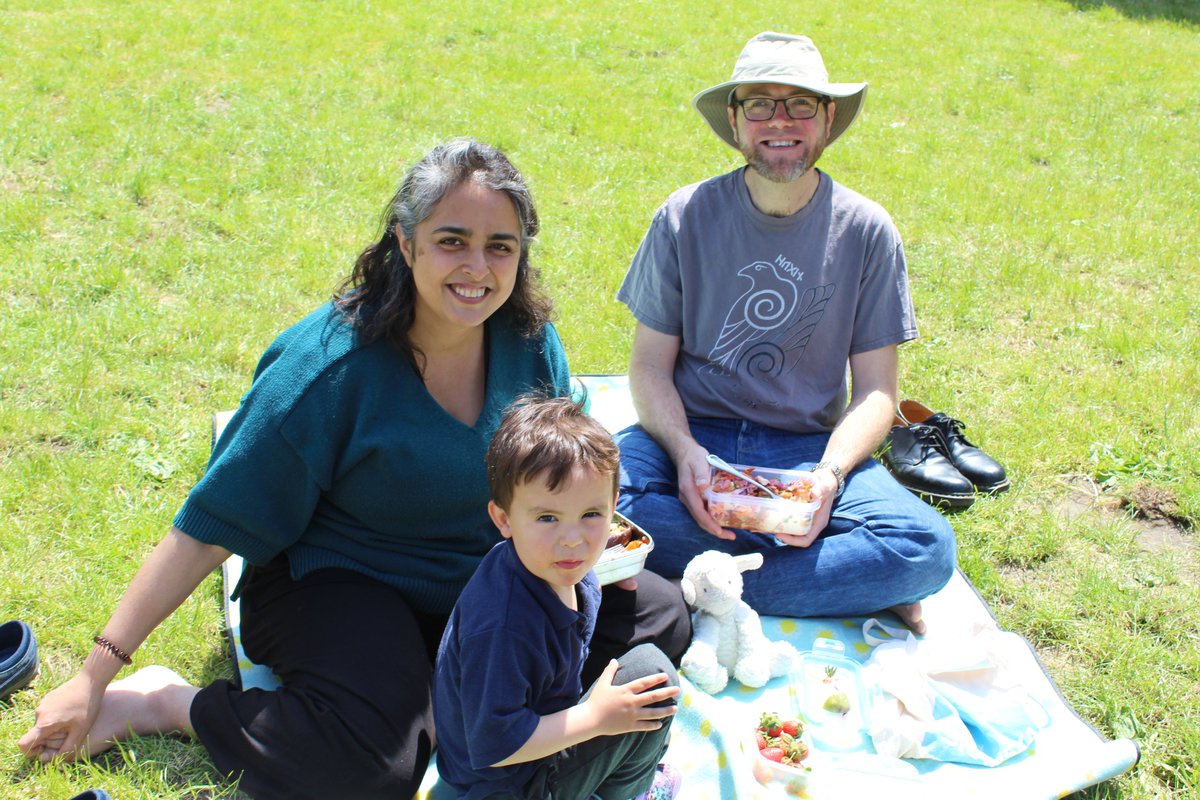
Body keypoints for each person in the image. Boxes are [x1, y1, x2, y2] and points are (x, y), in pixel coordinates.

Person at [19, 139, 691, 799]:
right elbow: (205, 529)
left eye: (500, 246)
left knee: (659, 616)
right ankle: (170, 703)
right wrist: (94, 675)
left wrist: (597, 536)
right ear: (405, 243)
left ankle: (447, 688)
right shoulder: (327, 371)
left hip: (481, 571)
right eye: (451, 240)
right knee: (374, 767)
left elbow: (562, 472)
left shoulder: (526, 341)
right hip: (341, 579)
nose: (477, 268)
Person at [614, 32, 956, 634]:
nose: (780, 121)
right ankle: (834, 586)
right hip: (692, 438)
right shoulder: (683, 215)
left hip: (804, 450)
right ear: (735, 118)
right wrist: (687, 453)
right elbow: (647, 368)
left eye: (800, 104)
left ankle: (689, 585)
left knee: (923, 547)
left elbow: (877, 391)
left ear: (827, 118)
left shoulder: (868, 230)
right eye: (760, 104)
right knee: (592, 502)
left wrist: (826, 478)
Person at [434, 395, 681, 800]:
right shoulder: (503, 627)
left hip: (539, 738)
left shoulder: (556, 569)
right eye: (547, 517)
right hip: (509, 784)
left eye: (591, 515)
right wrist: (595, 718)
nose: (572, 539)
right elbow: (497, 746)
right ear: (504, 519)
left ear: (614, 509)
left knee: (646, 654)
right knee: (652, 676)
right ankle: (632, 791)